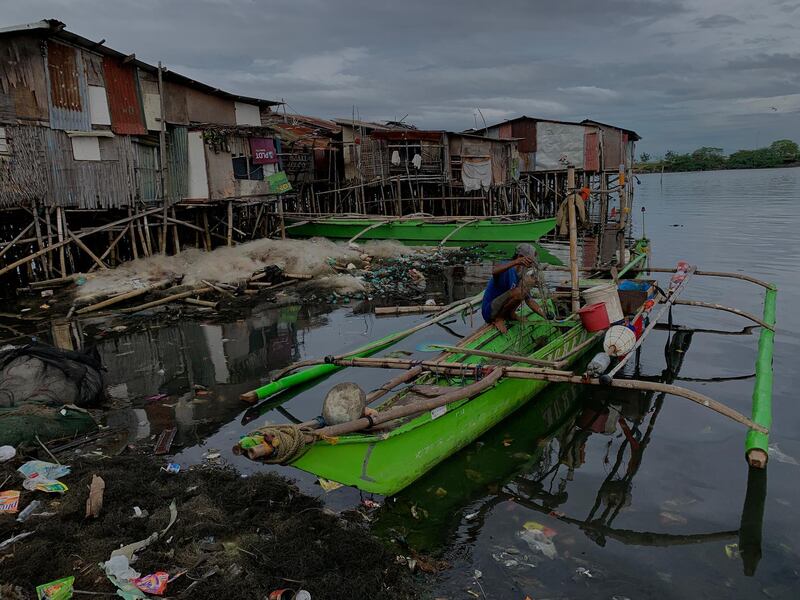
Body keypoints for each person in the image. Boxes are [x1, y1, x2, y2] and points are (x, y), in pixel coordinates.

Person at [481, 243, 547, 333]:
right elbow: (494, 271)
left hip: (502, 308)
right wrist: (516, 262)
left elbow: (529, 300)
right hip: (490, 311)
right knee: (518, 292)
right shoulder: (507, 266)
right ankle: (498, 318)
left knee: (524, 290)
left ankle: (510, 314)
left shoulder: (521, 273)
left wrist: (545, 315)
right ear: (520, 256)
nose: (531, 264)